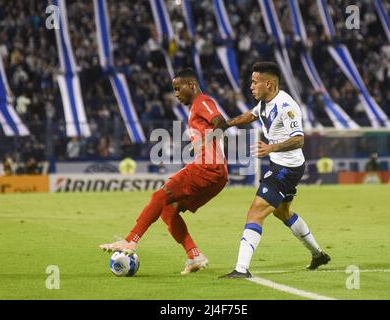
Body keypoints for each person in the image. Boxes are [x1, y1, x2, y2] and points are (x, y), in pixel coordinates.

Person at [100, 68, 229, 274]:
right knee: (168, 210)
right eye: (174, 90)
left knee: (160, 196)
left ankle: (130, 242)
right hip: (215, 173)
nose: (176, 94)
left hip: (208, 168)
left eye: (178, 88)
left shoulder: (202, 101)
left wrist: (206, 141)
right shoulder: (195, 107)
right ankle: (194, 255)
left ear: (192, 85)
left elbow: (221, 122)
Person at [220, 62, 330, 278]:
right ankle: (318, 255)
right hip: (283, 165)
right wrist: (227, 123)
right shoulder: (264, 103)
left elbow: (299, 139)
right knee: (282, 212)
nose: (250, 86)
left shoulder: (286, 106)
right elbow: (251, 116)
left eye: (254, 82)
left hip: (286, 168)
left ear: (268, 84)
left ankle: (241, 269)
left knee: (256, 211)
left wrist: (271, 147)